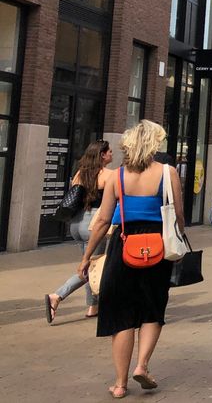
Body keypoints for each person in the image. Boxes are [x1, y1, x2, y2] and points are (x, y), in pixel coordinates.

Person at [77, 121, 184, 399]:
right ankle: (142, 365)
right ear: (153, 145)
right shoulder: (167, 172)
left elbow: (101, 221)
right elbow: (179, 217)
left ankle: (120, 383)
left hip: (123, 246)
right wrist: (179, 239)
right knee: (152, 310)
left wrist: (87, 257)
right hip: (157, 247)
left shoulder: (117, 176)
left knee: (122, 316)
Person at [46, 140, 113, 323]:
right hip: (94, 224)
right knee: (91, 268)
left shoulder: (79, 174)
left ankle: (93, 307)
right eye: (109, 152)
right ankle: (57, 296)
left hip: (76, 223)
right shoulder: (109, 175)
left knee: (91, 266)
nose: (111, 155)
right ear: (102, 155)